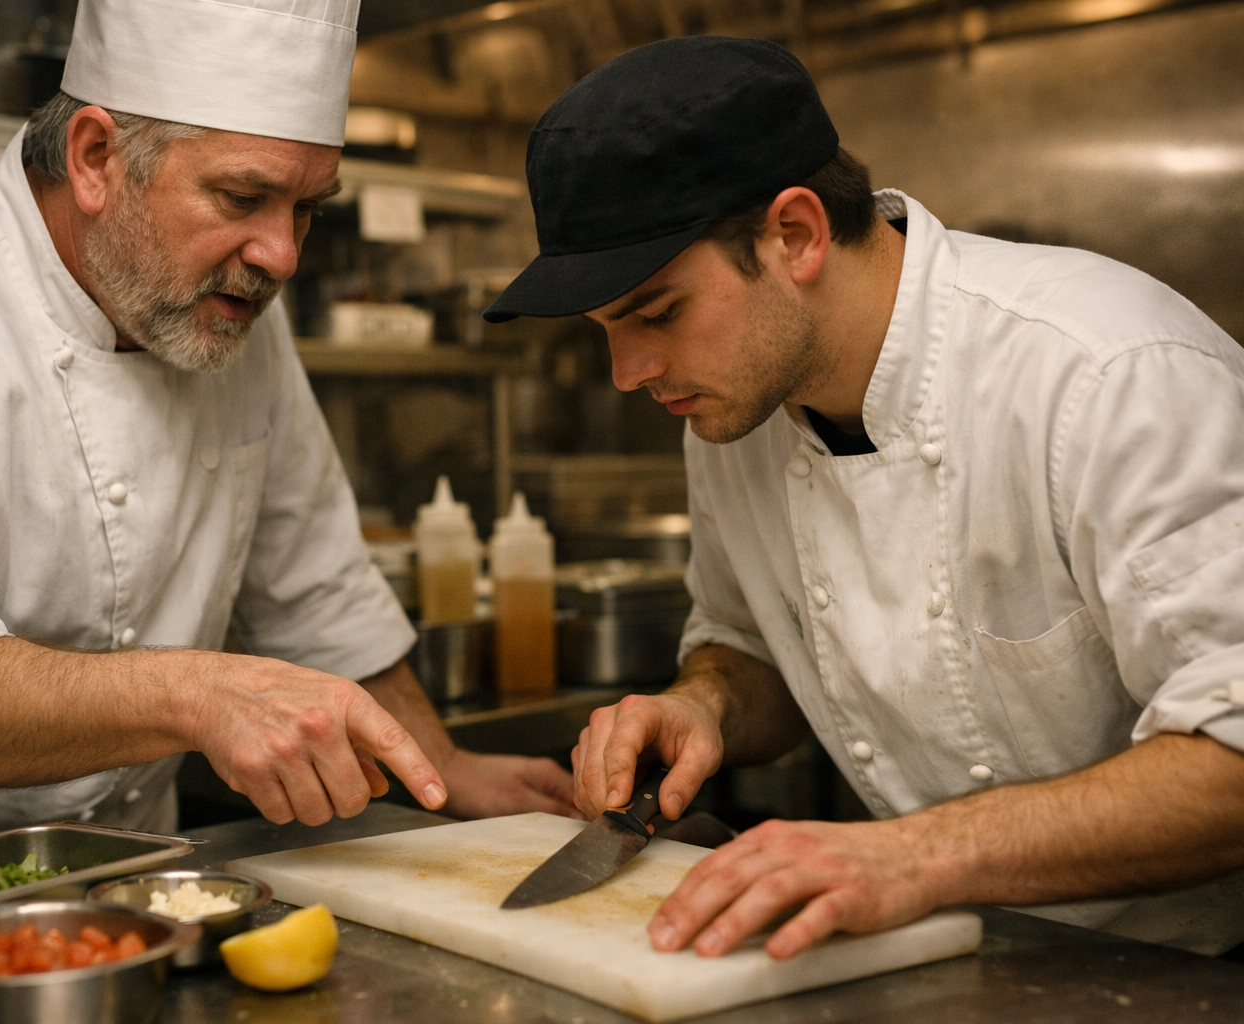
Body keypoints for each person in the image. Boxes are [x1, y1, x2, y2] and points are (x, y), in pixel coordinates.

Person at [0, 0, 575, 837]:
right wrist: (195, 695)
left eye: (308, 209)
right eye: (243, 198)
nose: (282, 256)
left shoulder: (233, 320)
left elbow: (314, 594)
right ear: (94, 158)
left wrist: (441, 766)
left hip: (139, 884)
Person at [484, 36, 1244, 958]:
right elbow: (753, 644)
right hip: (961, 957)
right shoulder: (733, 415)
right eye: (608, 330)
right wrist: (706, 707)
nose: (629, 373)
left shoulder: (1107, 375)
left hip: (1201, 965)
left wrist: (914, 857)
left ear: (795, 235)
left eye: (658, 312)